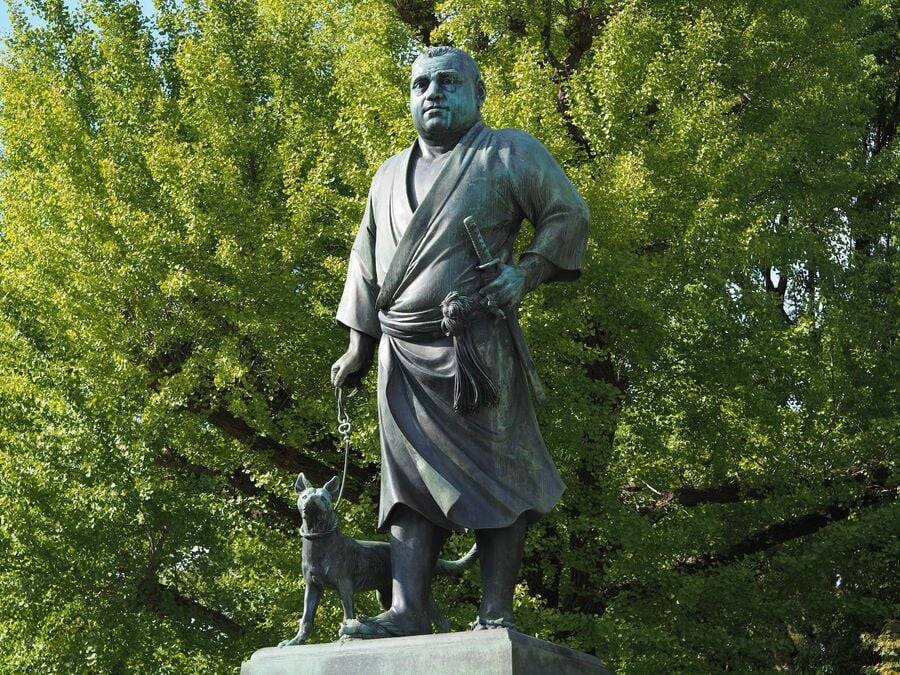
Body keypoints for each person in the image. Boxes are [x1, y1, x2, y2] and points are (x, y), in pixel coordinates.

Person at [331, 46, 589, 638]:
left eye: (448, 82)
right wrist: (358, 346)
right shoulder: (388, 175)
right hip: (402, 353)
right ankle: (407, 609)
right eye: (421, 84)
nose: (433, 94)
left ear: (478, 93)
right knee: (406, 483)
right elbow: (365, 261)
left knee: (501, 473)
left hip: (476, 346)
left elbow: (568, 214)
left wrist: (525, 273)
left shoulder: (507, 152)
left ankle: (496, 611)